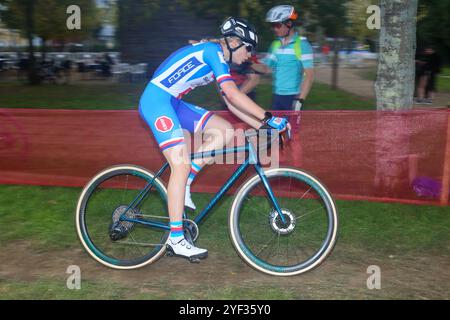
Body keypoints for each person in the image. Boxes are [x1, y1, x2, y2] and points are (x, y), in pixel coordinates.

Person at [138, 17, 291, 261]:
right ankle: (176, 239)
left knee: (225, 130)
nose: (249, 56)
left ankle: (186, 179)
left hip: (173, 103)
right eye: (248, 49)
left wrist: (264, 126)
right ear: (232, 42)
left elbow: (231, 102)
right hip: (157, 102)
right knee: (180, 163)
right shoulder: (212, 52)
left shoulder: (217, 58)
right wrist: (270, 117)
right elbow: (232, 93)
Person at [251, 5, 315, 111]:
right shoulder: (275, 44)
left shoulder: (302, 45)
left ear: (289, 23)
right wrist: (248, 63)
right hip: (277, 96)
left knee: (292, 128)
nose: (274, 29)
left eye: (277, 25)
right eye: (272, 26)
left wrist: (300, 100)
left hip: (293, 97)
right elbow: (267, 68)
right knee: (274, 127)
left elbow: (309, 75)